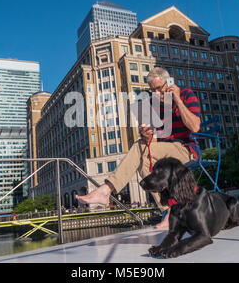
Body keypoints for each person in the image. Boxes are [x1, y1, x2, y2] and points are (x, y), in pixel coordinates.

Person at [76, 67, 201, 228]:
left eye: (159, 89)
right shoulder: (149, 105)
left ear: (169, 84)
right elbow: (152, 142)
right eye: (152, 90)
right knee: (143, 158)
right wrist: (147, 135)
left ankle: (107, 189)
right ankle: (170, 209)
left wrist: (177, 99)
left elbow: (195, 127)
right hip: (162, 153)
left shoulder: (185, 94)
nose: (156, 94)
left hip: (186, 149)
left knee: (142, 149)